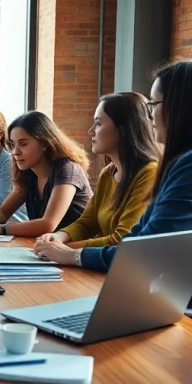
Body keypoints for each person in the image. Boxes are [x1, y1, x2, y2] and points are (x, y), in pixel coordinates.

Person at [46, 59, 192, 346]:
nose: (149, 115)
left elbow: (144, 256)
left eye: (154, 104)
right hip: (168, 300)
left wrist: (73, 256)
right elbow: (139, 238)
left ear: (181, 108)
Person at [33, 92, 160, 263]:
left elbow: (122, 239)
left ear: (124, 130)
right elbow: (87, 223)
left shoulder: (149, 174)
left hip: (121, 268)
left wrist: (64, 250)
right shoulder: (108, 173)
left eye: (98, 123)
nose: (91, 130)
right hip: (100, 266)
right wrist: (57, 237)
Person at [0, 111, 92, 237]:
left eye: (23, 144)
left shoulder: (67, 169)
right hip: (47, 249)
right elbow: (3, 212)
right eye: (12, 145)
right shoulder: (29, 173)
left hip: (77, 251)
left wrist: (0, 228)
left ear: (44, 143)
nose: (15, 152)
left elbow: (48, 224)